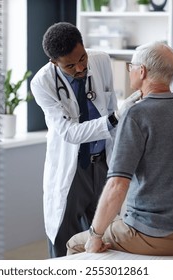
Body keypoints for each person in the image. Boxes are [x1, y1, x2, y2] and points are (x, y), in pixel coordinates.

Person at [66, 41, 173, 256]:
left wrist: (95, 236)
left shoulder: (136, 115)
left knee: (76, 243)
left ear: (141, 71)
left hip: (153, 236)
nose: (130, 70)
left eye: (131, 66)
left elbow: (117, 186)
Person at [30, 22, 140, 258]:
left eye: (82, 58)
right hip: (72, 170)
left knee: (102, 235)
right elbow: (70, 133)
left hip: (102, 164)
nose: (80, 67)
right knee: (63, 237)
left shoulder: (100, 60)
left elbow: (109, 106)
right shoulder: (42, 82)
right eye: (70, 65)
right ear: (54, 63)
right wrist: (115, 117)